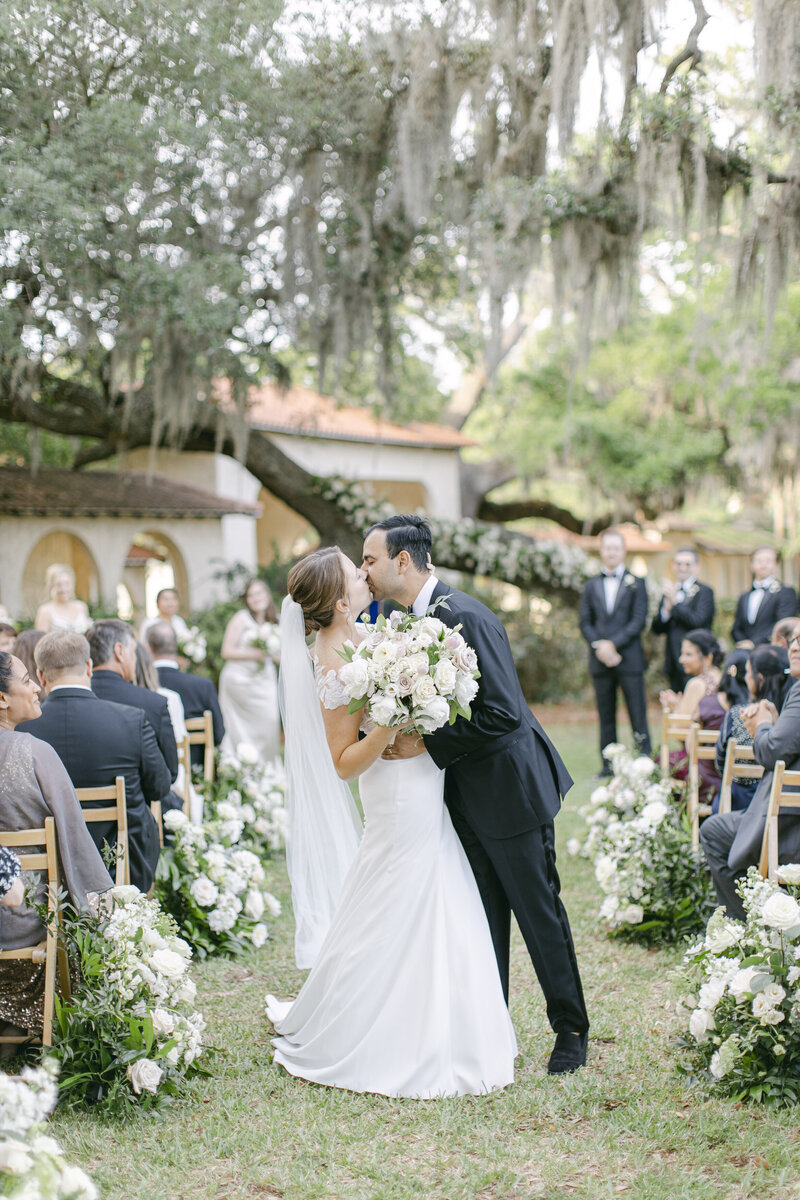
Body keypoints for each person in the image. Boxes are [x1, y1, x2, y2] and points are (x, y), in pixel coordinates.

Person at [265, 545, 517, 1097]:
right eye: (355, 573)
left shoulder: (362, 636)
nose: (365, 575)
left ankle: (454, 1019)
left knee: (434, 884)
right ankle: (393, 1030)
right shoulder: (330, 659)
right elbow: (342, 764)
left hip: (421, 780)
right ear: (336, 602)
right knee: (398, 891)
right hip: (395, 790)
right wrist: (390, 721)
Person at [362, 515, 589, 1074]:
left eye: (369, 559)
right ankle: (493, 1025)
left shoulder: (466, 616)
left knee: (538, 913)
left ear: (403, 561)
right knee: (483, 915)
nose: (363, 569)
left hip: (510, 792)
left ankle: (571, 1031)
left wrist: (426, 742)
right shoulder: (399, 623)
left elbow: (504, 712)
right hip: (460, 797)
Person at [0, 651, 112, 1038]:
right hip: (28, 924)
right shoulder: (35, 752)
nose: (36, 688)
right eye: (27, 679)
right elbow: (76, 842)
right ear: (2, 698)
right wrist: (104, 910)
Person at [17, 632, 169, 892]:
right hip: (126, 865)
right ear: (88, 667)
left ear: (41, 676)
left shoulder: (21, 730)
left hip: (50, 873)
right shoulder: (132, 720)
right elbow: (159, 787)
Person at [700, 630, 800, 919]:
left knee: (714, 832)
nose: (794, 647)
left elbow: (771, 752)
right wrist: (777, 723)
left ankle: (745, 928)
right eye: (793, 641)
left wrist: (764, 724)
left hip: (787, 827)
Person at [87, 619, 183, 818]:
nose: (135, 659)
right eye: (133, 652)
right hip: (133, 824)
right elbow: (168, 776)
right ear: (119, 652)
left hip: (69, 831)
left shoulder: (61, 707)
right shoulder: (152, 703)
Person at [579, 529, 651, 774]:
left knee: (637, 713)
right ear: (601, 551)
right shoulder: (590, 585)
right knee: (606, 714)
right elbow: (585, 622)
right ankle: (607, 766)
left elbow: (638, 620)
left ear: (623, 551)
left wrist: (614, 645)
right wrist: (600, 646)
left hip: (629, 658)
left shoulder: (637, 583)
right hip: (600, 660)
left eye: (616, 548)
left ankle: (644, 762)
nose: (611, 552)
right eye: (607, 548)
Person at [713, 646, 789, 813]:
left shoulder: (739, 714)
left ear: (759, 678)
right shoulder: (789, 716)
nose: (746, 678)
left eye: (748, 672)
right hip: (782, 801)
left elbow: (720, 763)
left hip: (739, 802)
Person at [219, 579, 281, 764]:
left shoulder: (275, 620)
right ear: (247, 600)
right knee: (240, 729)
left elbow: (279, 655)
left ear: (267, 595)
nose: (256, 598)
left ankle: (266, 767)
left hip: (264, 681)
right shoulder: (241, 618)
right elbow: (226, 651)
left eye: (259, 593)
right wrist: (256, 653)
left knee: (269, 723)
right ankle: (241, 767)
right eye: (251, 595)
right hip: (239, 681)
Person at [145, 623, 224, 766]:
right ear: (176, 648)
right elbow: (218, 734)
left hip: (156, 768)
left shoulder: (142, 688)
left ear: (149, 649)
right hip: (196, 766)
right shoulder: (203, 686)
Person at [651, 548, 715, 692]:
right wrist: (665, 612)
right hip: (673, 661)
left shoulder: (704, 591)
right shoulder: (670, 591)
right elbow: (657, 629)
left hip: (696, 661)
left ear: (697, 567)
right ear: (673, 566)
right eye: (679, 564)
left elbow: (698, 621)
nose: (682, 568)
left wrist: (675, 603)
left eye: (687, 564)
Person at [731, 547, 797, 648]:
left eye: (768, 561)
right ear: (751, 565)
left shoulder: (786, 592)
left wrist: (754, 643)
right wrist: (743, 642)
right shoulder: (744, 596)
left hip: (773, 648)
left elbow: (783, 624)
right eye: (759, 561)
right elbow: (736, 628)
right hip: (744, 650)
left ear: (776, 564)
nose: (763, 565)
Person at [34, 564, 91, 634]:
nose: (63, 589)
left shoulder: (81, 607)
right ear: (52, 587)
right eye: (59, 585)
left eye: (67, 584)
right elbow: (41, 641)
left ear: (73, 584)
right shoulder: (45, 611)